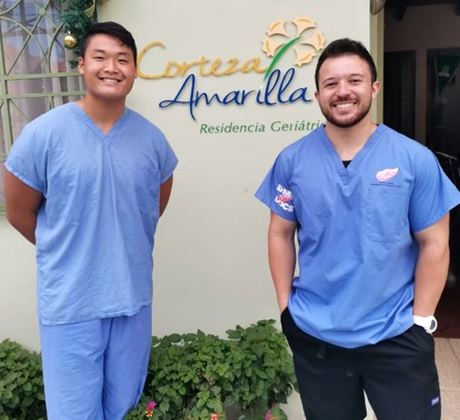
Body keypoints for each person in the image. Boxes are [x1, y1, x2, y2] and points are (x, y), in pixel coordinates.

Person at [255, 38, 460, 420]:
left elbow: (435, 243)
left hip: (397, 333)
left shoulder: (414, 159)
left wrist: (421, 322)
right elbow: (280, 234)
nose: (343, 92)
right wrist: (286, 309)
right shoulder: (292, 161)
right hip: (318, 336)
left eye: (354, 80)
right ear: (318, 94)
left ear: (374, 88)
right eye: (331, 84)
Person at [4, 22, 178, 420]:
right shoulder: (42, 134)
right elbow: (18, 212)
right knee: (74, 413)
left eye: (123, 59)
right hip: (71, 302)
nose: (111, 67)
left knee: (122, 406)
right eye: (100, 57)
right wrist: (68, 246)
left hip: (131, 299)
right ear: (81, 65)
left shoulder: (152, 141)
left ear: (135, 70)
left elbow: (151, 206)